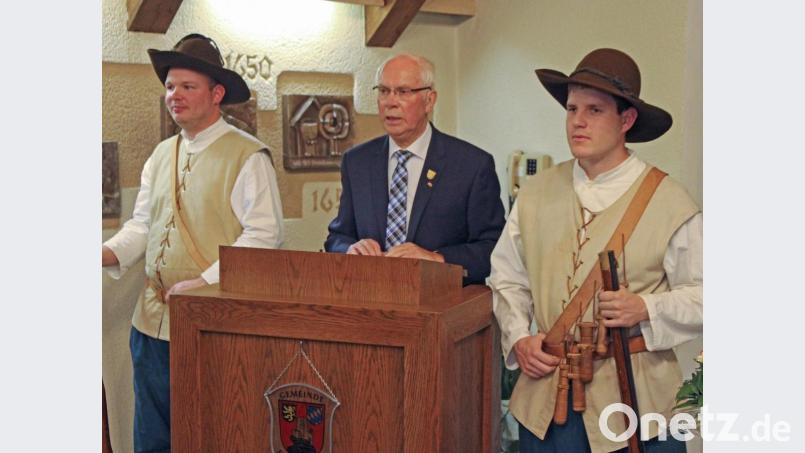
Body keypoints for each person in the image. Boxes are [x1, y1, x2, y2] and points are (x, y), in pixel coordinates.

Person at [490, 48, 702, 452]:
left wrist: (646, 308)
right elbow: (507, 278)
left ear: (627, 120)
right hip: (546, 405)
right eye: (571, 109)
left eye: (594, 110)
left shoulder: (671, 203)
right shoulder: (534, 195)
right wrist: (520, 338)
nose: (578, 122)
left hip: (638, 409)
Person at [102, 33, 284, 453]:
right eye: (170, 86)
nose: (175, 96)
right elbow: (143, 225)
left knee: (209, 434)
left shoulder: (248, 155)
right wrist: (106, 253)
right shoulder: (161, 153)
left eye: (188, 87)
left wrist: (204, 284)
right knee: (152, 438)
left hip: (211, 324)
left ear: (216, 93)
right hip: (149, 323)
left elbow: (264, 236)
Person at [325, 53, 505, 285]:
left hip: (438, 304)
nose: (390, 102)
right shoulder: (357, 162)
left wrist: (437, 259)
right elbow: (337, 237)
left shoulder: (471, 165)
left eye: (403, 92)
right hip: (368, 300)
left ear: (429, 100)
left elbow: (494, 250)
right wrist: (350, 248)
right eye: (383, 91)